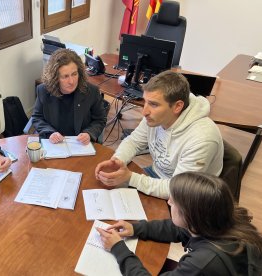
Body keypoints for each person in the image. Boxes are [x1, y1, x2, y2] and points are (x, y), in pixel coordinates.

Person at [96, 172, 262, 275]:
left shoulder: (202, 264)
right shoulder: (218, 219)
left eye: (173, 202)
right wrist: (136, 228)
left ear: (190, 215)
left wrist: (118, 248)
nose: (169, 201)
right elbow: (180, 229)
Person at [95, 70, 223, 199]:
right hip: (157, 174)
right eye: (145, 101)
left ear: (178, 106)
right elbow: (134, 141)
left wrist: (131, 178)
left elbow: (178, 190)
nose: (144, 112)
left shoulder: (202, 139)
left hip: (188, 196)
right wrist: (118, 160)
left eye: (153, 104)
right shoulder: (155, 117)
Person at [32, 48, 107, 145]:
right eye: (65, 76)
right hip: (53, 144)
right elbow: (37, 117)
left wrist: (89, 133)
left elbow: (100, 119)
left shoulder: (91, 91)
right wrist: (50, 133)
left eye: (74, 74)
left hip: (80, 144)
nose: (71, 81)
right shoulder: (43, 90)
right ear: (55, 78)